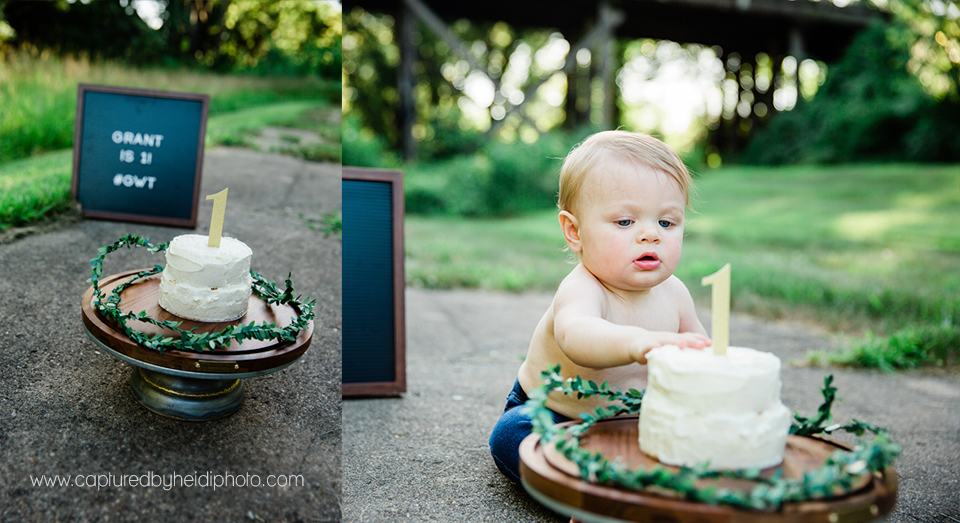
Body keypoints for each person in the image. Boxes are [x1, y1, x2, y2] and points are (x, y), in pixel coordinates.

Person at [489, 130, 712, 484]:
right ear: (574, 231)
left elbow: (700, 353)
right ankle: (586, 492)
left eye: (666, 222)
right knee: (514, 436)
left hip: (638, 423)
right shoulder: (583, 289)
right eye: (625, 221)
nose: (650, 234)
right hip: (557, 415)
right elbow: (578, 335)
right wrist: (637, 342)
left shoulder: (675, 293)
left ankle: (639, 480)